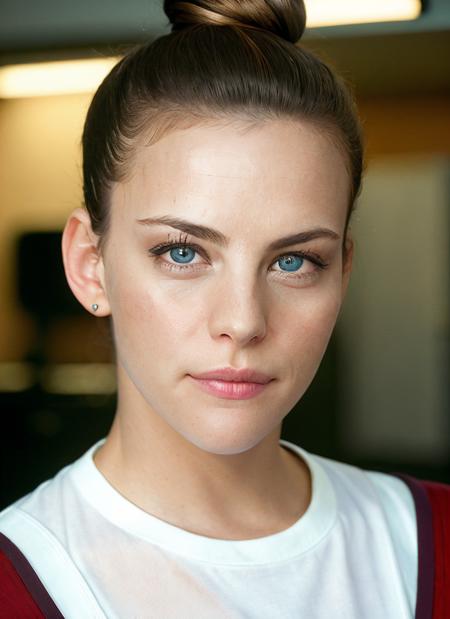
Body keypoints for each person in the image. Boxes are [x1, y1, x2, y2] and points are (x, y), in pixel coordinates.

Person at [0, 1, 449, 617]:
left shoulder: (435, 541)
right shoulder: (15, 579)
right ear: (89, 262)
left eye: (294, 262)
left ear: (341, 273)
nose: (242, 321)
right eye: (183, 252)